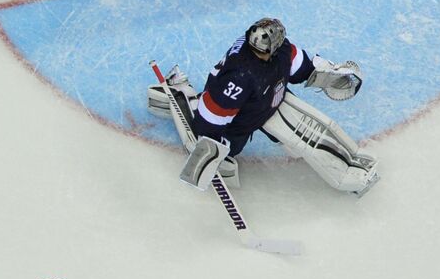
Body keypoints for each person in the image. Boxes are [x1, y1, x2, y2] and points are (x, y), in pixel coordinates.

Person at [147, 18, 378, 195]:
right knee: (226, 146)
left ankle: (350, 163)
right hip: (241, 121)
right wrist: (209, 146)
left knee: (318, 130)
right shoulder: (240, 76)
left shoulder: (284, 51)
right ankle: (180, 94)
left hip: (267, 100)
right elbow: (212, 114)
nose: (258, 51)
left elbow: (304, 67)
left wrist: (330, 75)